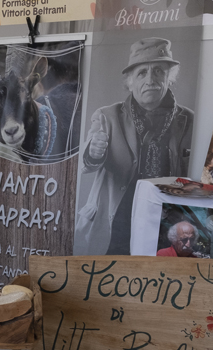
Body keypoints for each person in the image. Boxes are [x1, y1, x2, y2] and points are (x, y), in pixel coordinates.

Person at [77, 38, 194, 255]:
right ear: (130, 81)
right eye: (142, 73)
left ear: (170, 77)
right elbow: (86, 164)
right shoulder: (107, 116)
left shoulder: (189, 120)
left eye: (158, 71)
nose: (150, 79)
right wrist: (94, 152)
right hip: (115, 226)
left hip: (166, 226)